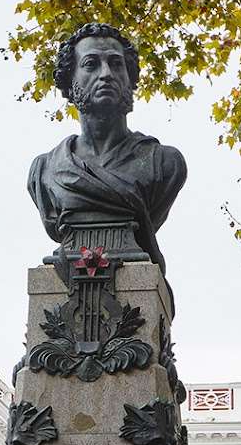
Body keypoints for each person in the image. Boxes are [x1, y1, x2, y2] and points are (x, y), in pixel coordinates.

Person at [27, 23, 187, 275]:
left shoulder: (165, 164)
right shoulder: (45, 170)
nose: (106, 74)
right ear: (69, 81)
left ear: (130, 79)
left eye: (116, 64)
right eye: (91, 64)